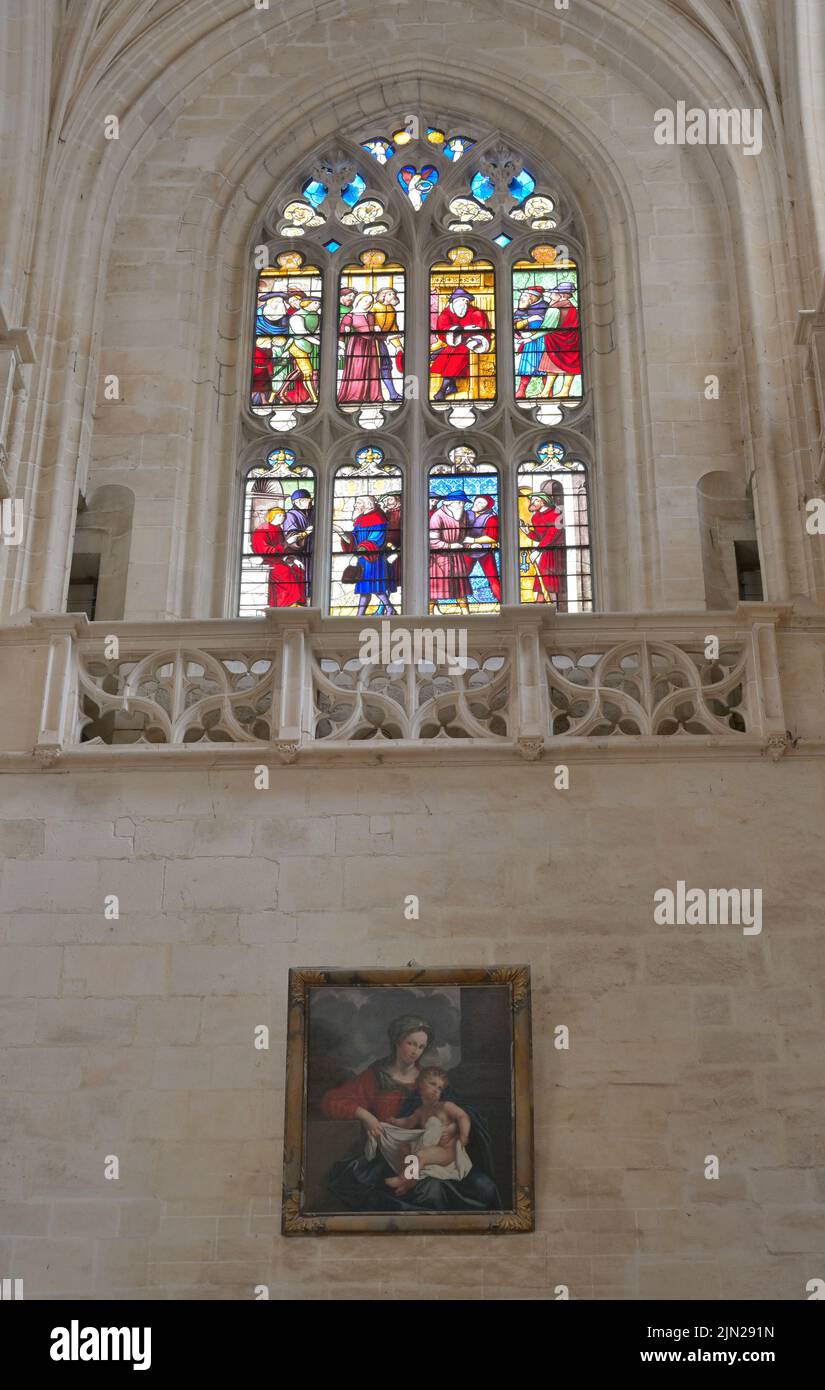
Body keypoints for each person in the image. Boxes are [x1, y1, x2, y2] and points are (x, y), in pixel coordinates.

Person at [318, 1015, 500, 1214]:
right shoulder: (376, 1076)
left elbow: (462, 1111)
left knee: (485, 1187)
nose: (415, 1051)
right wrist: (366, 1116)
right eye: (411, 1043)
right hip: (395, 1154)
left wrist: (454, 1127)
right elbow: (331, 1101)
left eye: (421, 1047)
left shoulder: (429, 1080)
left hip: (437, 1152)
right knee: (430, 1190)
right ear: (397, 1041)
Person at [382, 1066, 472, 1194]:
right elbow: (408, 1122)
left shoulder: (445, 1106)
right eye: (433, 1084)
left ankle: (403, 1179)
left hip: (446, 1150)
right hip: (427, 1146)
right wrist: (394, 1122)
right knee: (403, 1148)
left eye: (440, 1088)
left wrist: (464, 1135)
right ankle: (410, 1181)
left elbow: (463, 1116)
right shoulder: (420, 1111)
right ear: (420, 1085)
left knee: (420, 1156)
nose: (436, 1090)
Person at [336, 494, 397, 615]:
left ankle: (389, 609)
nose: (355, 505)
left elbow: (375, 540)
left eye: (358, 502)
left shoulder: (378, 518)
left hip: (373, 559)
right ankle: (361, 614)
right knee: (365, 588)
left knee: (375, 587)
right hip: (363, 558)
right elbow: (354, 539)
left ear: (367, 504)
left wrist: (357, 555)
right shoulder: (360, 520)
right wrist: (342, 533)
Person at [430, 289, 491, 401]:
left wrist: (465, 334)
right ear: (454, 302)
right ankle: (452, 387)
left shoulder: (476, 313)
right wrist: (457, 332)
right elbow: (443, 331)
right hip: (454, 343)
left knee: (456, 355)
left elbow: (481, 331)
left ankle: (441, 391)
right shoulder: (446, 314)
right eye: (461, 301)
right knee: (449, 352)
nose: (464, 304)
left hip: (472, 343)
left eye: (466, 301)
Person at [250, 505, 307, 607]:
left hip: (279, 559)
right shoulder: (261, 531)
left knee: (298, 568)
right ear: (272, 516)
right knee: (284, 571)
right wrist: (287, 543)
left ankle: (299, 601)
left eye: (283, 515)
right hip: (267, 561)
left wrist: (291, 559)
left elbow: (283, 550)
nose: (282, 517)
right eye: (279, 515)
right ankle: (285, 603)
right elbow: (266, 551)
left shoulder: (279, 529)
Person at [429, 491, 473, 613]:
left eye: (463, 503)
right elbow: (432, 541)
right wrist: (448, 545)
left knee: (460, 588)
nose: (461, 505)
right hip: (439, 558)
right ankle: (430, 615)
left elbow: (465, 534)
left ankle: (466, 615)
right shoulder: (437, 517)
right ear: (448, 503)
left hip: (457, 556)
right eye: (459, 502)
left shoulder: (463, 515)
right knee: (434, 590)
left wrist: (469, 542)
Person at [520, 489, 565, 604]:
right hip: (546, 550)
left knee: (551, 579)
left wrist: (538, 551)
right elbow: (540, 537)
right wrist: (527, 532)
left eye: (536, 500)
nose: (532, 502)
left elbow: (552, 534)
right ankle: (540, 604)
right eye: (532, 500)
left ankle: (553, 605)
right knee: (542, 579)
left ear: (543, 502)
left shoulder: (556, 513)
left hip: (557, 551)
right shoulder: (536, 517)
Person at [537, 282, 581, 398]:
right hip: (571, 340)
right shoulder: (572, 306)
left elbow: (546, 327)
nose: (551, 295)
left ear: (561, 295)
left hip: (556, 342)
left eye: (554, 293)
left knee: (551, 367)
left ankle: (549, 392)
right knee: (569, 365)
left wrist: (529, 337)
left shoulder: (555, 308)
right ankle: (560, 391)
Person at [338, 291, 382, 403]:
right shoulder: (350, 316)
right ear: (358, 300)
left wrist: (376, 329)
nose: (367, 303)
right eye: (365, 300)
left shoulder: (371, 315)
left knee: (371, 369)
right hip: (357, 344)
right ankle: (355, 396)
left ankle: (372, 395)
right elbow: (342, 330)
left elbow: (373, 329)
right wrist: (341, 347)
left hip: (371, 344)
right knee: (357, 368)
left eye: (370, 302)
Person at [513, 285, 550, 398]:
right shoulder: (522, 309)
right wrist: (528, 320)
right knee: (526, 367)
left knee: (545, 367)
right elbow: (515, 325)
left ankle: (548, 392)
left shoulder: (547, 307)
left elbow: (553, 324)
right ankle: (521, 390)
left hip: (545, 342)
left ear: (534, 297)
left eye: (526, 295)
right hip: (528, 343)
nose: (522, 298)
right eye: (523, 295)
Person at [464, 493, 501, 603]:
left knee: (493, 578)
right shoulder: (465, 514)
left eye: (482, 503)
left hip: (485, 551)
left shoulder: (491, 518)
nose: (478, 504)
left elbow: (493, 538)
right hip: (466, 550)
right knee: (460, 576)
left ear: (487, 506)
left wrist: (475, 541)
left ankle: (502, 601)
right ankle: (461, 604)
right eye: (477, 501)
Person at [372, 287, 403, 402]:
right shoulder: (374, 307)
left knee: (386, 366)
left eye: (394, 294)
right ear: (383, 295)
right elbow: (367, 323)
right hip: (368, 343)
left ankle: (393, 394)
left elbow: (393, 329)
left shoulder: (392, 310)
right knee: (370, 369)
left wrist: (398, 345)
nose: (393, 296)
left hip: (380, 343)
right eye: (390, 294)